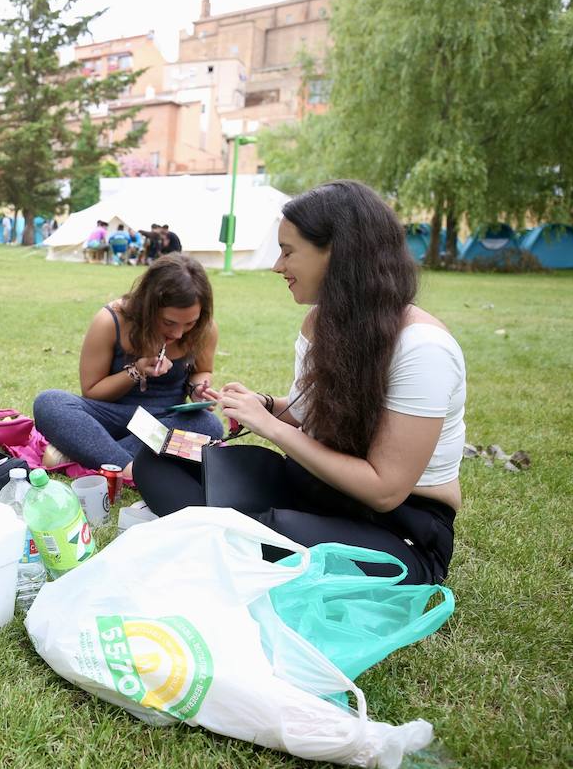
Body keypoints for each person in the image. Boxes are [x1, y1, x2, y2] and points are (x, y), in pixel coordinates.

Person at [135, 180, 465, 585]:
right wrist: (264, 404)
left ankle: (224, 534)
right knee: (156, 460)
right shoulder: (320, 323)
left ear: (338, 253)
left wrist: (269, 426)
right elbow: (307, 414)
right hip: (314, 488)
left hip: (398, 527)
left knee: (269, 529)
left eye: (288, 251)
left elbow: (385, 489)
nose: (278, 266)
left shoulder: (422, 349)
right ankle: (225, 534)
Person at [34, 254, 223, 479]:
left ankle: (91, 454)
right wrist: (138, 370)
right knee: (50, 402)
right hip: (111, 417)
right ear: (148, 307)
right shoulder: (111, 320)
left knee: (210, 425)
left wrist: (198, 389)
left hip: (164, 422)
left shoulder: (206, 328)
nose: (178, 333)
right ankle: (130, 467)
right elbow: (93, 391)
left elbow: (202, 371)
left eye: (189, 323)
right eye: (168, 322)